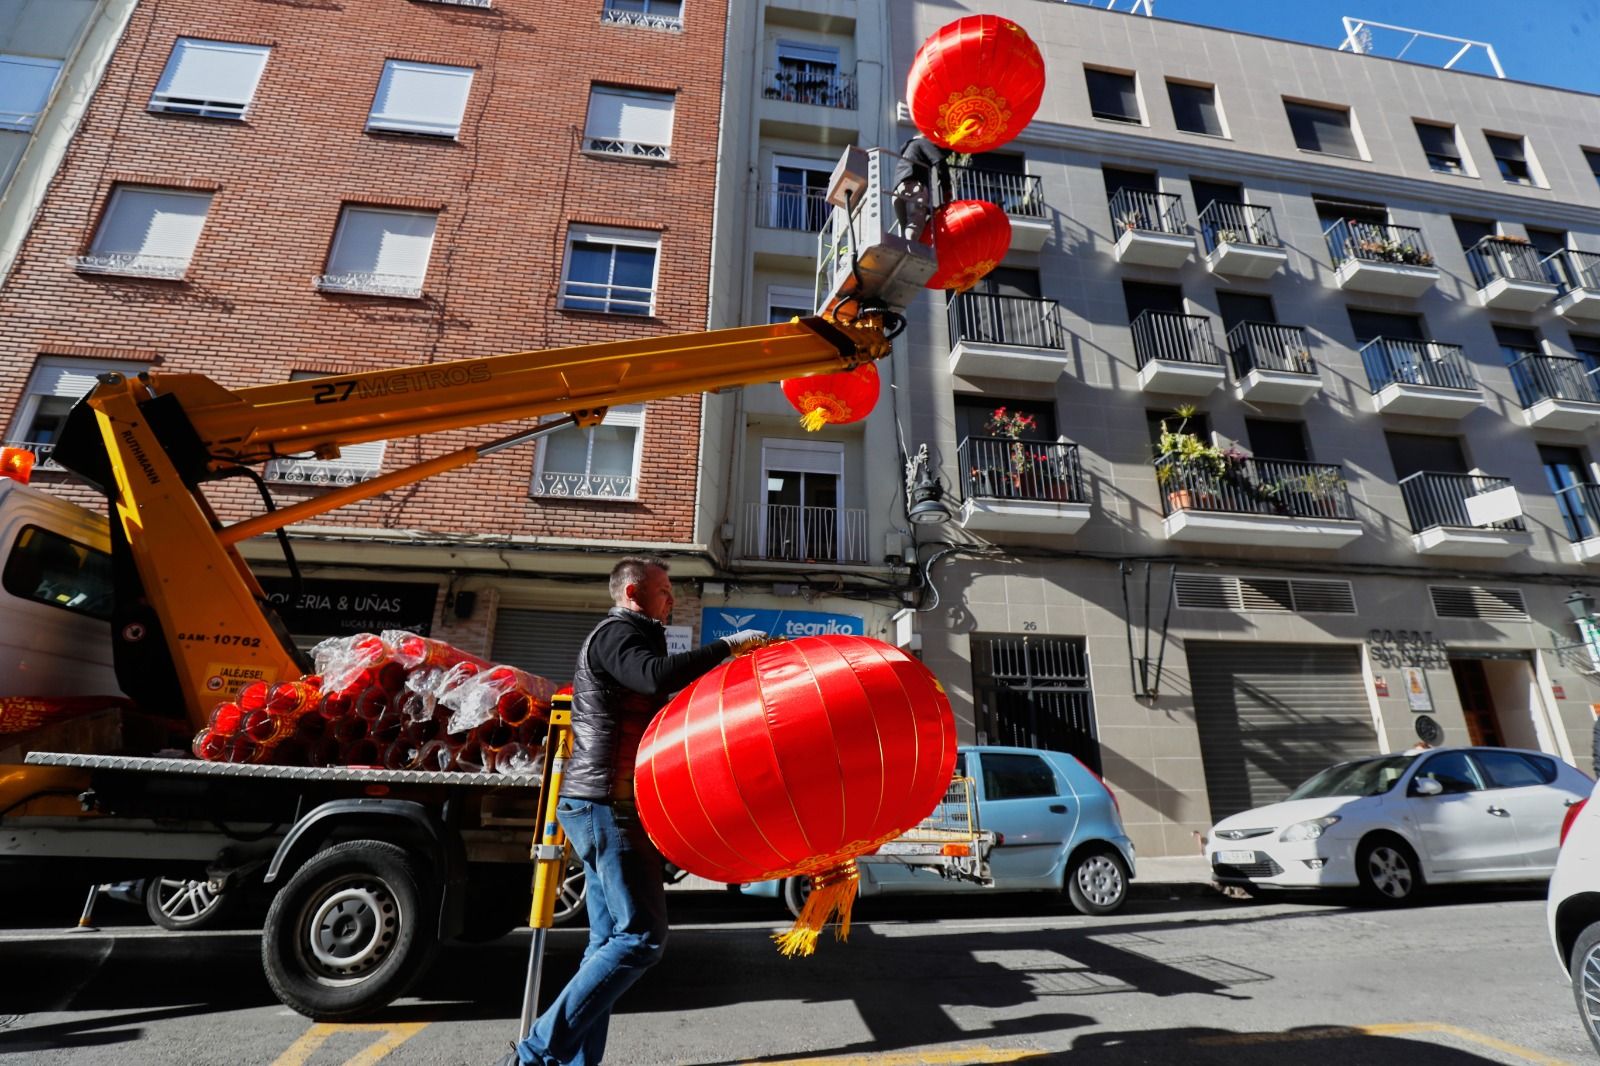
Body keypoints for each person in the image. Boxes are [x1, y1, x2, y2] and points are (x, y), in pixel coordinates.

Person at [499, 556, 765, 1066]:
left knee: (606, 942)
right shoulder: (616, 634)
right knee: (640, 938)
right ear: (631, 592)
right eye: (663, 590)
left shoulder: (636, 636)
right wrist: (727, 645)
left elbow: (661, 690)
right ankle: (533, 1057)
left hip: (606, 801)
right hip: (606, 804)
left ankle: (574, 1063)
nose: (672, 598)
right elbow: (651, 678)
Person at [892, 134, 953, 241]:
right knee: (915, 225)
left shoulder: (908, 151)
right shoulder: (922, 143)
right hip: (914, 187)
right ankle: (912, 253)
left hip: (897, 191)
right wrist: (946, 188)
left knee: (906, 229)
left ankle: (907, 250)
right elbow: (939, 161)